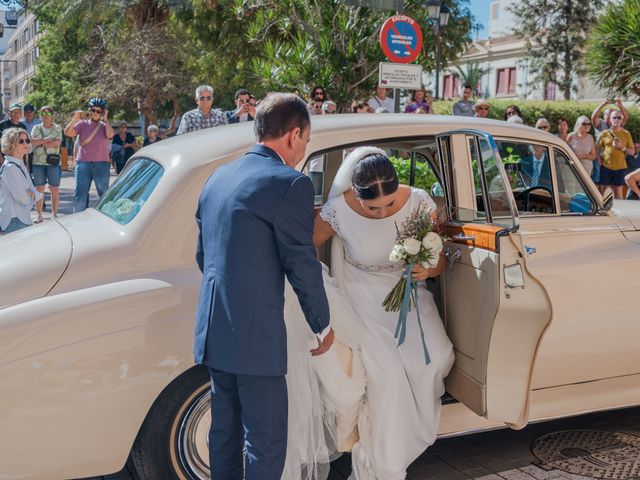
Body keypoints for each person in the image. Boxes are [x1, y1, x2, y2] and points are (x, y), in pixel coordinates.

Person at [292, 147, 455, 479]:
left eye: (390, 204)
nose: (382, 213)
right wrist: (315, 284)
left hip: (407, 290)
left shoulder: (420, 201)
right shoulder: (338, 210)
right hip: (361, 294)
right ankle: (386, 459)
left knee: (437, 357)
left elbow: (438, 259)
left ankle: (412, 431)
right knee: (389, 375)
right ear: (356, 195)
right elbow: (306, 246)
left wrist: (428, 270)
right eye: (373, 207)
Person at [194, 92, 333, 480]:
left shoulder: (217, 177)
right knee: (266, 440)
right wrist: (321, 322)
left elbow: (204, 257)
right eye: (306, 139)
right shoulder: (290, 183)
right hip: (256, 334)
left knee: (223, 433)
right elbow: (301, 262)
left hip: (215, 326)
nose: (304, 148)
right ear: (293, 135)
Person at [64, 97, 115, 213]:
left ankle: (106, 219)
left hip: (101, 164)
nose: (96, 113)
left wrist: (106, 119)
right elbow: (67, 132)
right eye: (93, 110)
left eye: (99, 111)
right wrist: (75, 118)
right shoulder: (82, 124)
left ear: (102, 112)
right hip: (83, 164)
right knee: (80, 194)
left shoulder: (104, 125)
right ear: (89, 110)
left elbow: (110, 134)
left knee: (104, 193)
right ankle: (78, 220)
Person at [0, 128, 40, 233]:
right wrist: (32, 196)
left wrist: (32, 194)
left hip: (22, 218)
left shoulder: (19, 164)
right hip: (15, 220)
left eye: (27, 140)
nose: (25, 143)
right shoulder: (11, 168)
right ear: (12, 144)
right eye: (21, 141)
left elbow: (33, 190)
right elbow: (24, 199)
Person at [30, 106, 63, 222]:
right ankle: (39, 215)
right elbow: (33, 142)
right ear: (40, 115)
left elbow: (57, 143)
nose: (46, 116)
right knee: (39, 189)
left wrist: (42, 142)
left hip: (53, 163)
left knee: (54, 189)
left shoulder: (57, 127)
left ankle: (54, 214)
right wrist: (49, 139)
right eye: (43, 113)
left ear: (52, 115)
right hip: (38, 163)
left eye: (48, 113)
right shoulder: (36, 127)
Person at [596, 111, 634, 199]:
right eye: (614, 117)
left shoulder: (626, 133)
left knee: (618, 192)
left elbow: (632, 151)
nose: (616, 119)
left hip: (620, 167)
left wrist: (622, 148)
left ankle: (619, 212)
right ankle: (604, 212)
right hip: (606, 167)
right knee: (604, 192)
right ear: (609, 119)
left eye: (619, 117)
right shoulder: (604, 133)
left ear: (622, 120)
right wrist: (599, 161)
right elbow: (597, 148)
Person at [22, 104, 42, 173]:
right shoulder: (21, 124)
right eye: (27, 112)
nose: (29, 114)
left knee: (37, 172)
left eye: (30, 112)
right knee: (26, 172)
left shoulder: (40, 123)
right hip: (24, 152)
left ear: (33, 113)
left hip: (37, 151)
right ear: (24, 113)